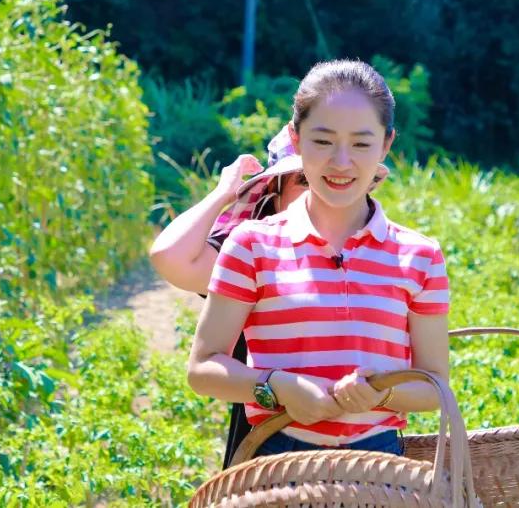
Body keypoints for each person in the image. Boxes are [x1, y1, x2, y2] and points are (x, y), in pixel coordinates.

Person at [187, 59, 450, 457]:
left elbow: (434, 385)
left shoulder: (420, 256)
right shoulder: (252, 245)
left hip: (378, 466)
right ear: (295, 139)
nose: (341, 162)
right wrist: (275, 386)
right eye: (323, 141)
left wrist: (381, 393)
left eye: (361, 143)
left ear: (386, 144)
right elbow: (203, 368)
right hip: (275, 459)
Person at [149, 125, 389, 465]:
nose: (319, 190)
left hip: (369, 454)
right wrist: (223, 193)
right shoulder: (252, 258)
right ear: (273, 196)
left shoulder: (384, 255)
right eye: (303, 181)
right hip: (270, 453)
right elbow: (169, 256)